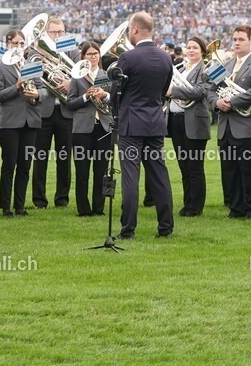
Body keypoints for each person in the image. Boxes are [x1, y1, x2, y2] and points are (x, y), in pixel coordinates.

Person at [109, 12, 174, 240]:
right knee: (159, 176)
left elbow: (116, 93)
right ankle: (165, 227)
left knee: (130, 178)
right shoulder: (166, 58)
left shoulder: (128, 58)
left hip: (131, 125)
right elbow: (164, 90)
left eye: (129, 29)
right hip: (155, 123)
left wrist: (117, 111)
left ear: (135, 29)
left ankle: (128, 229)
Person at [209, 25, 251, 220]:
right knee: (229, 170)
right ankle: (235, 209)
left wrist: (231, 102)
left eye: (241, 39)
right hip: (226, 126)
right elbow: (210, 90)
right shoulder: (225, 66)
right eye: (234, 39)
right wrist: (216, 102)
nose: (237, 43)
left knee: (248, 169)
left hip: (247, 126)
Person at [0, 30, 46, 217]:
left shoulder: (32, 65)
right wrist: (16, 87)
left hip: (30, 120)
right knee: (9, 165)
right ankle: (6, 207)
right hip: (10, 122)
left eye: (21, 43)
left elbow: (43, 90)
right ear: (7, 45)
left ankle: (20, 206)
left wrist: (38, 95)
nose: (18, 47)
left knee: (25, 165)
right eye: (15, 43)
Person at [31, 18, 74, 210]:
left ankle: (62, 199)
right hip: (44, 110)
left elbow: (82, 74)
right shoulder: (35, 52)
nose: (58, 35)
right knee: (40, 157)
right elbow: (30, 77)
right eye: (54, 32)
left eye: (61, 32)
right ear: (46, 33)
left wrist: (71, 83)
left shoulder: (72, 51)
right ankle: (39, 200)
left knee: (64, 158)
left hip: (66, 110)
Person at [65, 41, 112, 217]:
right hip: (82, 130)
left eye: (95, 53)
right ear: (83, 56)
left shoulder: (106, 75)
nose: (93, 57)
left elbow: (114, 99)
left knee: (101, 170)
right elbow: (70, 104)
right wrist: (85, 96)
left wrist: (104, 95)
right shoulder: (76, 77)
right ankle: (83, 209)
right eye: (89, 54)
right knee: (82, 171)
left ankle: (99, 208)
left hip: (104, 127)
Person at [166, 36, 210, 217]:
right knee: (183, 166)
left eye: (195, 48)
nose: (191, 51)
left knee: (195, 166)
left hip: (194, 121)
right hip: (176, 120)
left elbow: (200, 91)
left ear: (202, 51)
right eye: (189, 47)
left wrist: (173, 91)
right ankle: (187, 203)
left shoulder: (205, 69)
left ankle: (196, 206)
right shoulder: (181, 68)